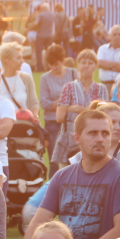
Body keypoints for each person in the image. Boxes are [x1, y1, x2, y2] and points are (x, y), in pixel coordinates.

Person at [27, 109, 120, 239]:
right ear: (77, 138)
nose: (100, 139)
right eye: (93, 133)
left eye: (105, 133)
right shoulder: (62, 176)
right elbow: (36, 226)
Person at [52, 49, 108, 167]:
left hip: (94, 140)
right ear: (78, 65)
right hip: (71, 139)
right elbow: (59, 116)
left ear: (95, 66)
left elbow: (103, 117)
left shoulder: (101, 89)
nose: (86, 66)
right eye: (83, 62)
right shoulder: (68, 88)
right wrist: (90, 110)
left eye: (90, 62)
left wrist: (76, 109)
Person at [39, 44, 77, 173]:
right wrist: (65, 103)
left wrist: (58, 103)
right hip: (53, 123)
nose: (53, 67)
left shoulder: (73, 73)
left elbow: (79, 95)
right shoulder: (45, 78)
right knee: (54, 159)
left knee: (73, 157)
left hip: (73, 122)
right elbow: (44, 103)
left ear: (63, 61)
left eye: (56, 64)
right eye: (50, 64)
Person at [0, 42, 38, 117]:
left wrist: (35, 116)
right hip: (6, 126)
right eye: (18, 58)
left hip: (25, 124)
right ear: (8, 61)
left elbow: (34, 103)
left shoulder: (26, 78)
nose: (22, 61)